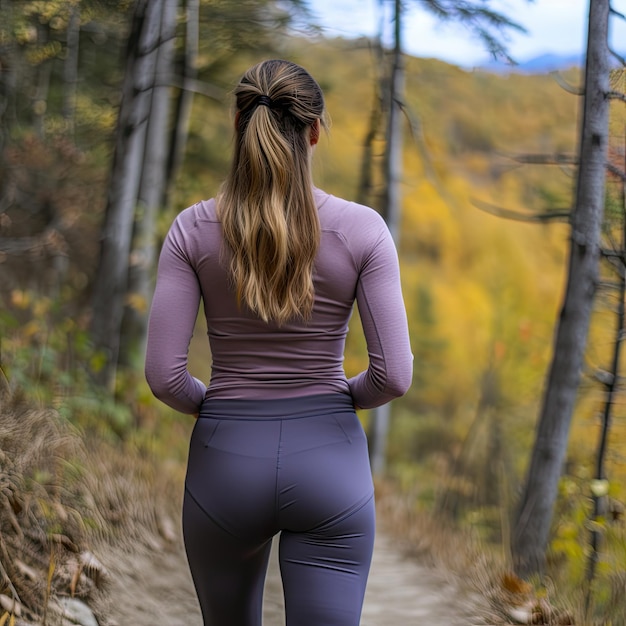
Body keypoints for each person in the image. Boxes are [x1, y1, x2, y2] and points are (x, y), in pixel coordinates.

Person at [145, 59, 413, 626]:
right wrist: (338, 397)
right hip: (330, 462)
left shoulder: (192, 229)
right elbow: (393, 376)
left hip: (226, 463)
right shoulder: (362, 229)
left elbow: (165, 378)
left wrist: (223, 408)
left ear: (238, 125)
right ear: (315, 131)